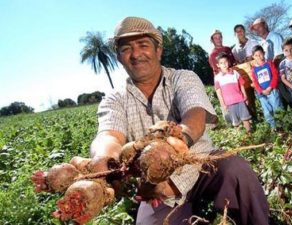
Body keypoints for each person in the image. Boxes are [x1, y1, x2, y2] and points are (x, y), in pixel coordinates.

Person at [90, 16, 270, 225]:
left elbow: (194, 114)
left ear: (158, 50)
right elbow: (108, 135)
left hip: (202, 164)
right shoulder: (114, 99)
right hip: (156, 186)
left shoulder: (183, 78)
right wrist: (105, 160)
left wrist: (177, 145)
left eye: (143, 45)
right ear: (119, 57)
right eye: (126, 48)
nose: (136, 54)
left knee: (236, 170)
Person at [250, 17, 292, 110]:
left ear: (265, 25)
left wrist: (270, 67)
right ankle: (285, 116)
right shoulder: (262, 42)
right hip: (270, 72)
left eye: (259, 27)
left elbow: (279, 55)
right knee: (279, 96)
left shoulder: (274, 36)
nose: (257, 30)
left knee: (286, 92)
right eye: (255, 29)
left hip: (279, 69)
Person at [214, 52, 252, 133]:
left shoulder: (235, 73)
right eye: (221, 63)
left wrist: (245, 97)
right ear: (218, 65)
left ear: (228, 62)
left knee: (245, 118)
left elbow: (241, 85)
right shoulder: (217, 78)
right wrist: (222, 104)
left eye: (225, 62)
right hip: (229, 103)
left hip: (240, 100)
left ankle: (249, 134)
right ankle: (240, 137)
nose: (224, 64)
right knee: (235, 122)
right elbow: (218, 92)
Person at [250, 45, 282, 128]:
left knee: (277, 108)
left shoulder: (269, 64)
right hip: (262, 94)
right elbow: (255, 82)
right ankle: (273, 128)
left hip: (272, 91)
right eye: (256, 55)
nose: (259, 57)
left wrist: (270, 87)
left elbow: (275, 76)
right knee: (267, 112)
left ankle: (282, 126)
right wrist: (261, 91)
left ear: (264, 53)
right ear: (253, 57)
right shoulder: (253, 69)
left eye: (260, 54)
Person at [208, 29, 236, 123]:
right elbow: (217, 70)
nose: (218, 39)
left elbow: (234, 62)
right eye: (216, 38)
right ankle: (230, 122)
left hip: (233, 77)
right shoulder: (212, 54)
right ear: (212, 40)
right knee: (225, 102)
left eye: (220, 37)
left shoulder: (228, 49)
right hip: (222, 81)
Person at [231, 24, 258, 119]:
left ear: (244, 31)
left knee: (262, 94)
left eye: (241, 30)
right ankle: (255, 118)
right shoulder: (234, 50)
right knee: (250, 99)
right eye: (237, 31)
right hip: (245, 77)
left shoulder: (253, 42)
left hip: (257, 74)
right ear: (235, 34)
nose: (239, 33)